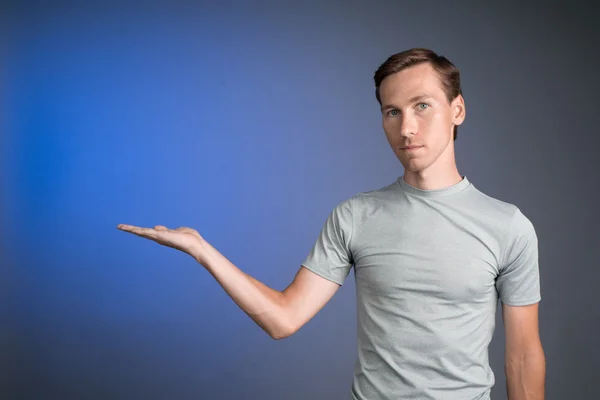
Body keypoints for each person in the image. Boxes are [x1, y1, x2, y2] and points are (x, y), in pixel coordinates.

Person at [117, 48, 545, 400]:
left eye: (422, 106)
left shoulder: (507, 226)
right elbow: (283, 319)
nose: (407, 128)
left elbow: (522, 357)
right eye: (392, 112)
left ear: (458, 110)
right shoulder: (355, 216)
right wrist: (202, 250)